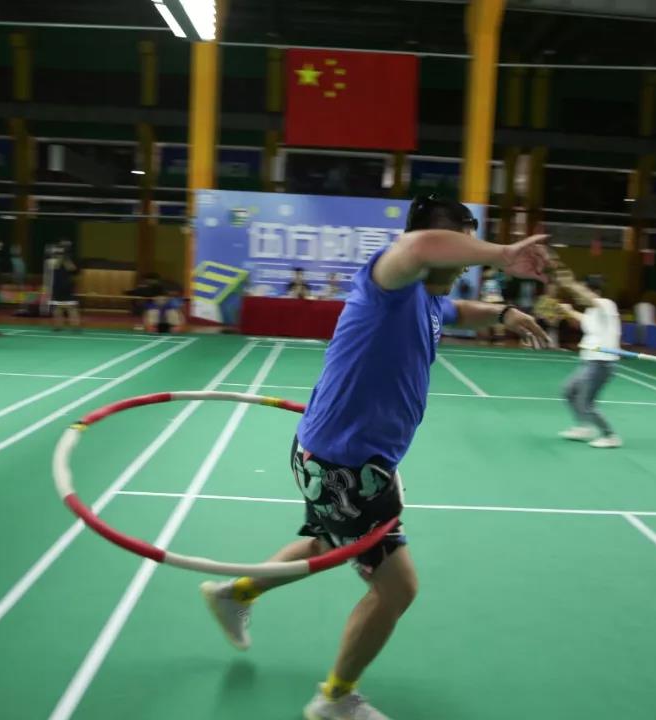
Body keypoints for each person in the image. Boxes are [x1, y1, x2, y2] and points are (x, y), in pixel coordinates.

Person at [199, 195, 548, 720]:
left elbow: (460, 312)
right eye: (462, 243)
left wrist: (504, 312)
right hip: (344, 467)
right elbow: (420, 247)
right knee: (397, 590)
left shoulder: (429, 300)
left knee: (326, 539)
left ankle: (236, 593)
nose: (466, 259)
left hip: (335, 455)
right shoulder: (389, 284)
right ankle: (335, 697)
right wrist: (501, 254)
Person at [556, 273, 622, 448]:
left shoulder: (607, 304)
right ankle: (584, 427)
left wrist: (571, 284)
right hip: (589, 362)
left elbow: (590, 299)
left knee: (586, 402)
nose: (579, 296)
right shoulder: (592, 312)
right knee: (569, 392)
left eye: (582, 292)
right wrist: (568, 311)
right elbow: (583, 319)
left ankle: (610, 436)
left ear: (594, 291)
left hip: (602, 363)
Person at [45, 241, 81, 331]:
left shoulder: (69, 259)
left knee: (71, 307)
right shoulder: (52, 260)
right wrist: (60, 257)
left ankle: (75, 326)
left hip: (67, 286)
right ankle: (58, 326)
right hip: (57, 286)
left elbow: (72, 268)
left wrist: (65, 258)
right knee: (57, 307)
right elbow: (54, 266)